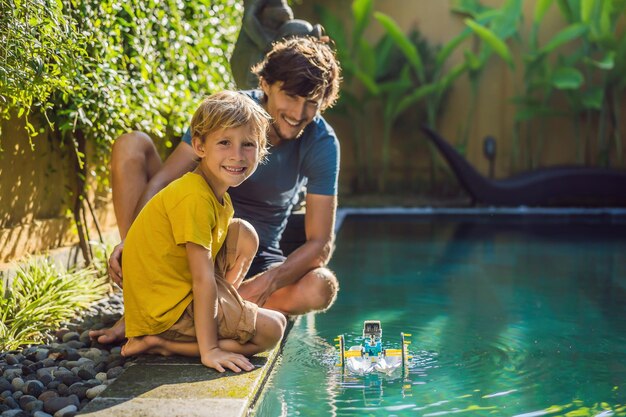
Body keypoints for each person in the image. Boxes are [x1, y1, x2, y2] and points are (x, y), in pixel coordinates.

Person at [90, 36, 342, 345]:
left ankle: (206, 311)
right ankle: (146, 298)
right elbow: (166, 180)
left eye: (312, 103)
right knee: (131, 145)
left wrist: (266, 282)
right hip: (192, 239)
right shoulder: (230, 112)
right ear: (265, 84)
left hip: (256, 256)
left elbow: (320, 244)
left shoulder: (321, 141)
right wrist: (131, 243)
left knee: (321, 286)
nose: (299, 112)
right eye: (290, 96)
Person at [119, 91, 286, 372]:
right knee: (273, 330)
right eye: (224, 143)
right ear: (199, 146)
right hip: (165, 312)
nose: (237, 155)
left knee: (244, 235)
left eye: (248, 144)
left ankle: (220, 318)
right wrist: (210, 351)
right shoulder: (194, 197)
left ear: (261, 150)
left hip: (175, 292)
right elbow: (202, 277)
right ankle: (164, 343)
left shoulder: (215, 194)